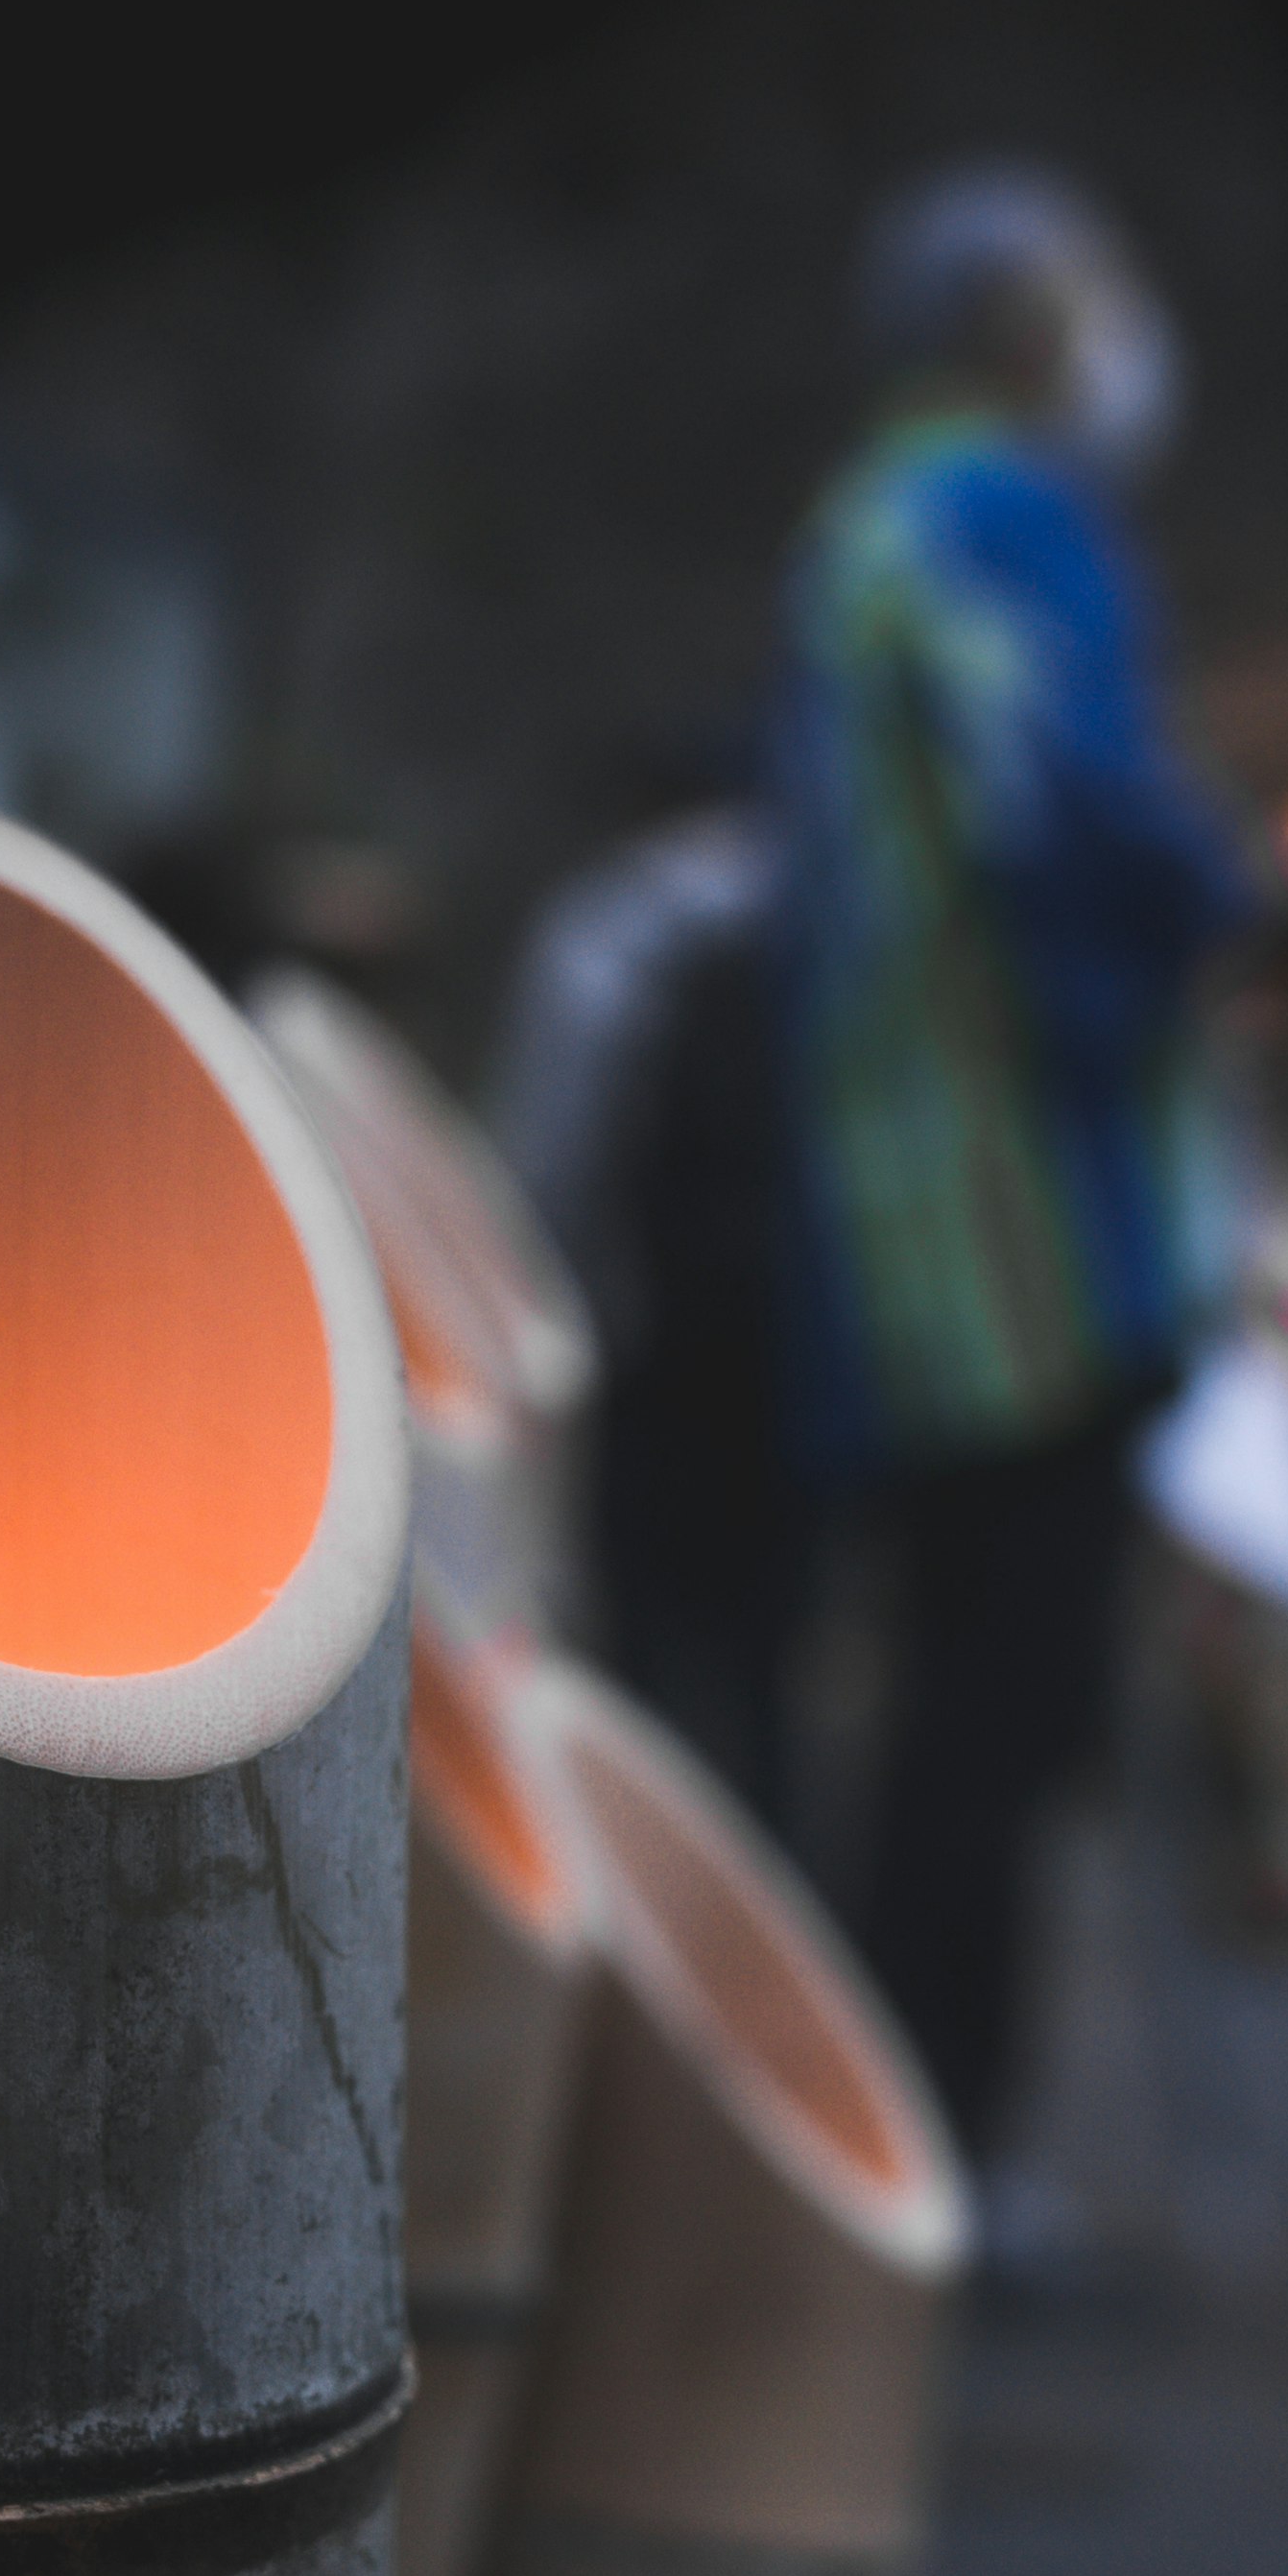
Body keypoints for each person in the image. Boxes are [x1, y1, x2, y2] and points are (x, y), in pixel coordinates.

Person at [772, 167, 1256, 2205]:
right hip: (1022, 1232)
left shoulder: (857, 531)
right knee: (997, 1715)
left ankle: (901, 2146)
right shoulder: (991, 522)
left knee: (940, 1710)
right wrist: (1246, 906)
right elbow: (1063, 817)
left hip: (903, 1208)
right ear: (1025, 330)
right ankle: (935, 2158)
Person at [493, 731, 799, 1827]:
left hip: (656, 1344)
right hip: (802, 1351)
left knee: (650, 1646)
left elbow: (548, 1160)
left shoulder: (611, 929)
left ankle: (643, 1873)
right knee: (772, 1660)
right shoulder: (831, 914)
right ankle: (771, 1896)